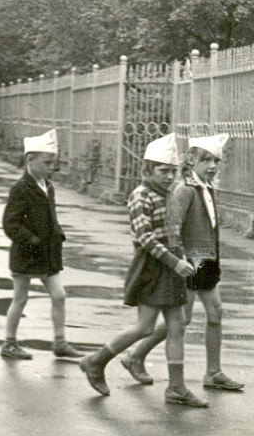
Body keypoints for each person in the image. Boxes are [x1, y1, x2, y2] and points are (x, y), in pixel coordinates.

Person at [78, 135, 208, 407]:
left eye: (173, 171)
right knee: (145, 326)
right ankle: (96, 360)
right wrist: (175, 262)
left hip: (172, 264)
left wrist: (186, 257)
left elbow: (176, 231)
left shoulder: (172, 194)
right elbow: (146, 239)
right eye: (163, 171)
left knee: (177, 325)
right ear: (148, 170)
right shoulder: (140, 195)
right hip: (151, 266)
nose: (169, 176)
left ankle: (176, 387)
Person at [122, 133, 244, 393]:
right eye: (206, 160)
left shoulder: (207, 187)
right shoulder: (186, 190)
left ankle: (214, 372)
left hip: (206, 259)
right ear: (191, 160)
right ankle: (136, 355)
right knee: (181, 319)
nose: (212, 166)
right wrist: (179, 260)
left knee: (215, 314)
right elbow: (172, 227)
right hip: (189, 260)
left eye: (216, 161)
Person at [0, 129, 83, 360]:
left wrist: (57, 232)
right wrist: (31, 239)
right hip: (26, 252)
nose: (51, 167)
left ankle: (59, 342)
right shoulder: (20, 188)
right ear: (30, 160)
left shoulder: (49, 186)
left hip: (48, 251)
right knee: (21, 298)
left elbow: (50, 215)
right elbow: (11, 223)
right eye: (47, 162)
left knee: (59, 296)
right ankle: (9, 343)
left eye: (53, 163)